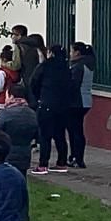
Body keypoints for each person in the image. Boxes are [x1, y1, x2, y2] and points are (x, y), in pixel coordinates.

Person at [30, 43, 75, 173]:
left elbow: (34, 82)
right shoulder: (67, 68)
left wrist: (39, 97)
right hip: (63, 106)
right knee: (60, 134)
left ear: (51, 53)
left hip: (47, 104)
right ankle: (61, 162)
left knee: (44, 135)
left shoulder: (45, 66)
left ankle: (43, 164)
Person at [0, 84, 39, 178]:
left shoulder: (4, 114)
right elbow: (37, 134)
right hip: (25, 154)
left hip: (6, 155)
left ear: (11, 96)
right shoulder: (32, 114)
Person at [68, 43, 95, 169]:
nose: (70, 54)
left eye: (71, 51)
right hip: (86, 101)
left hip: (77, 102)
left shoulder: (78, 67)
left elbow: (73, 85)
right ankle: (77, 157)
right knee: (77, 130)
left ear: (77, 52)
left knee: (75, 131)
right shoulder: (88, 64)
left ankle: (77, 158)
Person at [9, 25, 41, 100]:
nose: (11, 37)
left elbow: (16, 65)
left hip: (25, 76)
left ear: (19, 35)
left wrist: (4, 64)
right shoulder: (34, 45)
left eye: (13, 34)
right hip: (35, 75)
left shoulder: (18, 46)